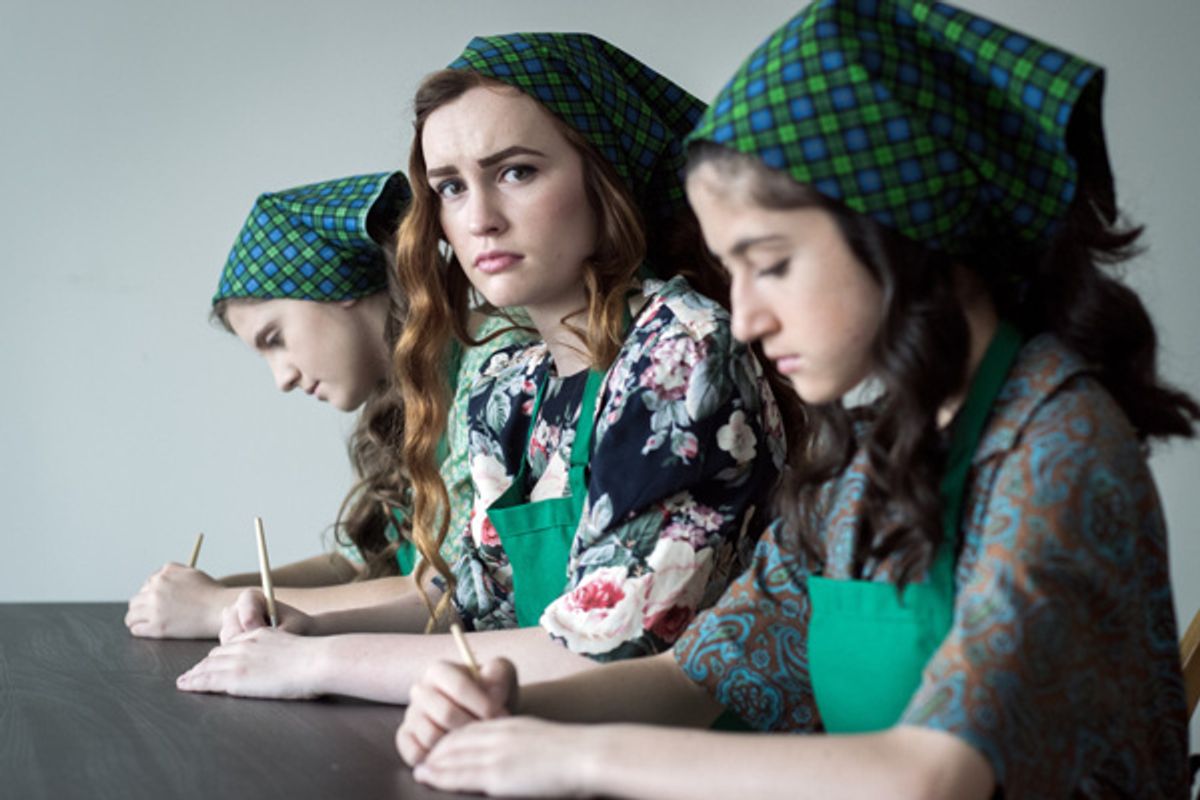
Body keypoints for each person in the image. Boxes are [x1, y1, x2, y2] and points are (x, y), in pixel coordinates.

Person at [395, 2, 1197, 797]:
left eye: (771, 264)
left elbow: (935, 774)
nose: (744, 317)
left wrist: (576, 758)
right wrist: (509, 713)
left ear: (897, 232)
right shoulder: (867, 449)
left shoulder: (1058, 442)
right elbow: (702, 673)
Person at [175, 32, 786, 702]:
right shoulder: (512, 381)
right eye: (450, 188)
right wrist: (304, 630)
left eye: (517, 172)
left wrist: (319, 665)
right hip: (535, 748)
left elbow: (611, 650)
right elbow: (471, 602)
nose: (480, 219)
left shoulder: (679, 350)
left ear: (602, 175)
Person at [126, 170, 531, 639]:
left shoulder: (491, 359)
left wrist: (213, 607)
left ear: (337, 289)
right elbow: (356, 565)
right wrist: (216, 592)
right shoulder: (404, 396)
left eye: (275, 339)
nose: (282, 378)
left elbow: (440, 588)